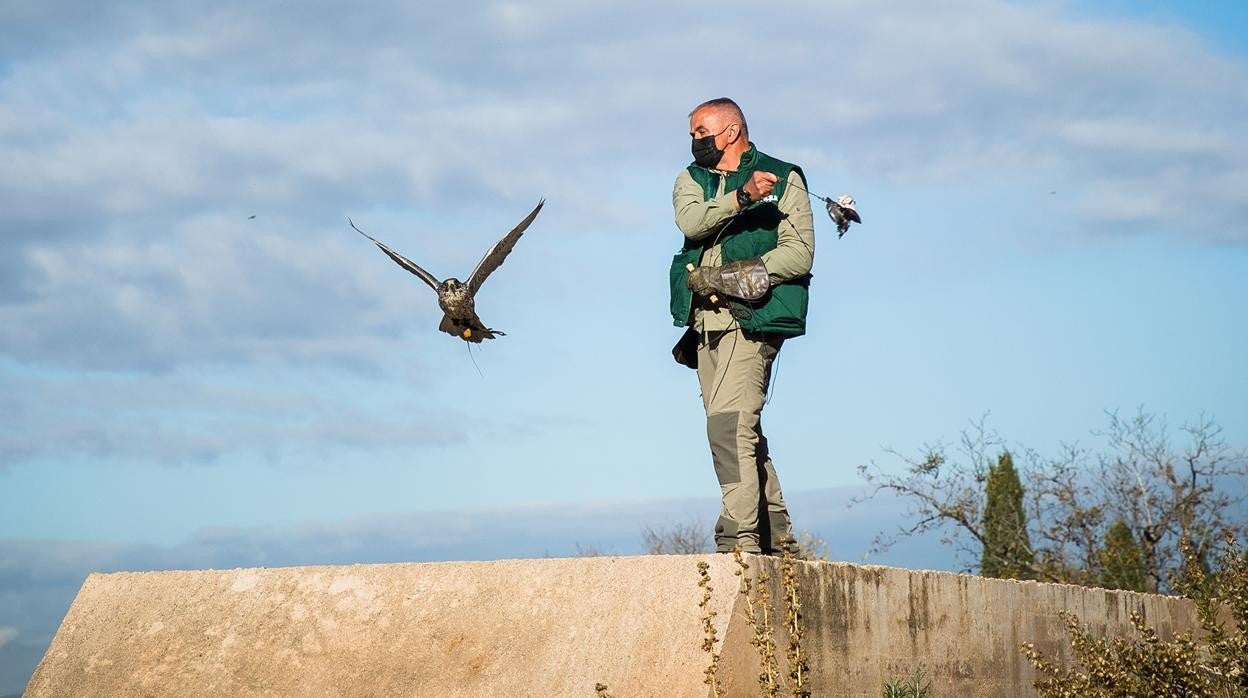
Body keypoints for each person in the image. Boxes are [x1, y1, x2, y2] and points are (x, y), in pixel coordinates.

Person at [669, 97, 815, 555]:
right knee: (739, 429)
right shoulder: (690, 180)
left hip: (752, 321)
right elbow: (691, 223)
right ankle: (778, 538)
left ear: (730, 131)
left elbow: (800, 252)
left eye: (701, 131)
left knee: (728, 426)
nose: (695, 141)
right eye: (692, 133)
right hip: (704, 324)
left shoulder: (785, 176)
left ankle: (739, 541)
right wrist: (742, 196)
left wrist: (742, 276)